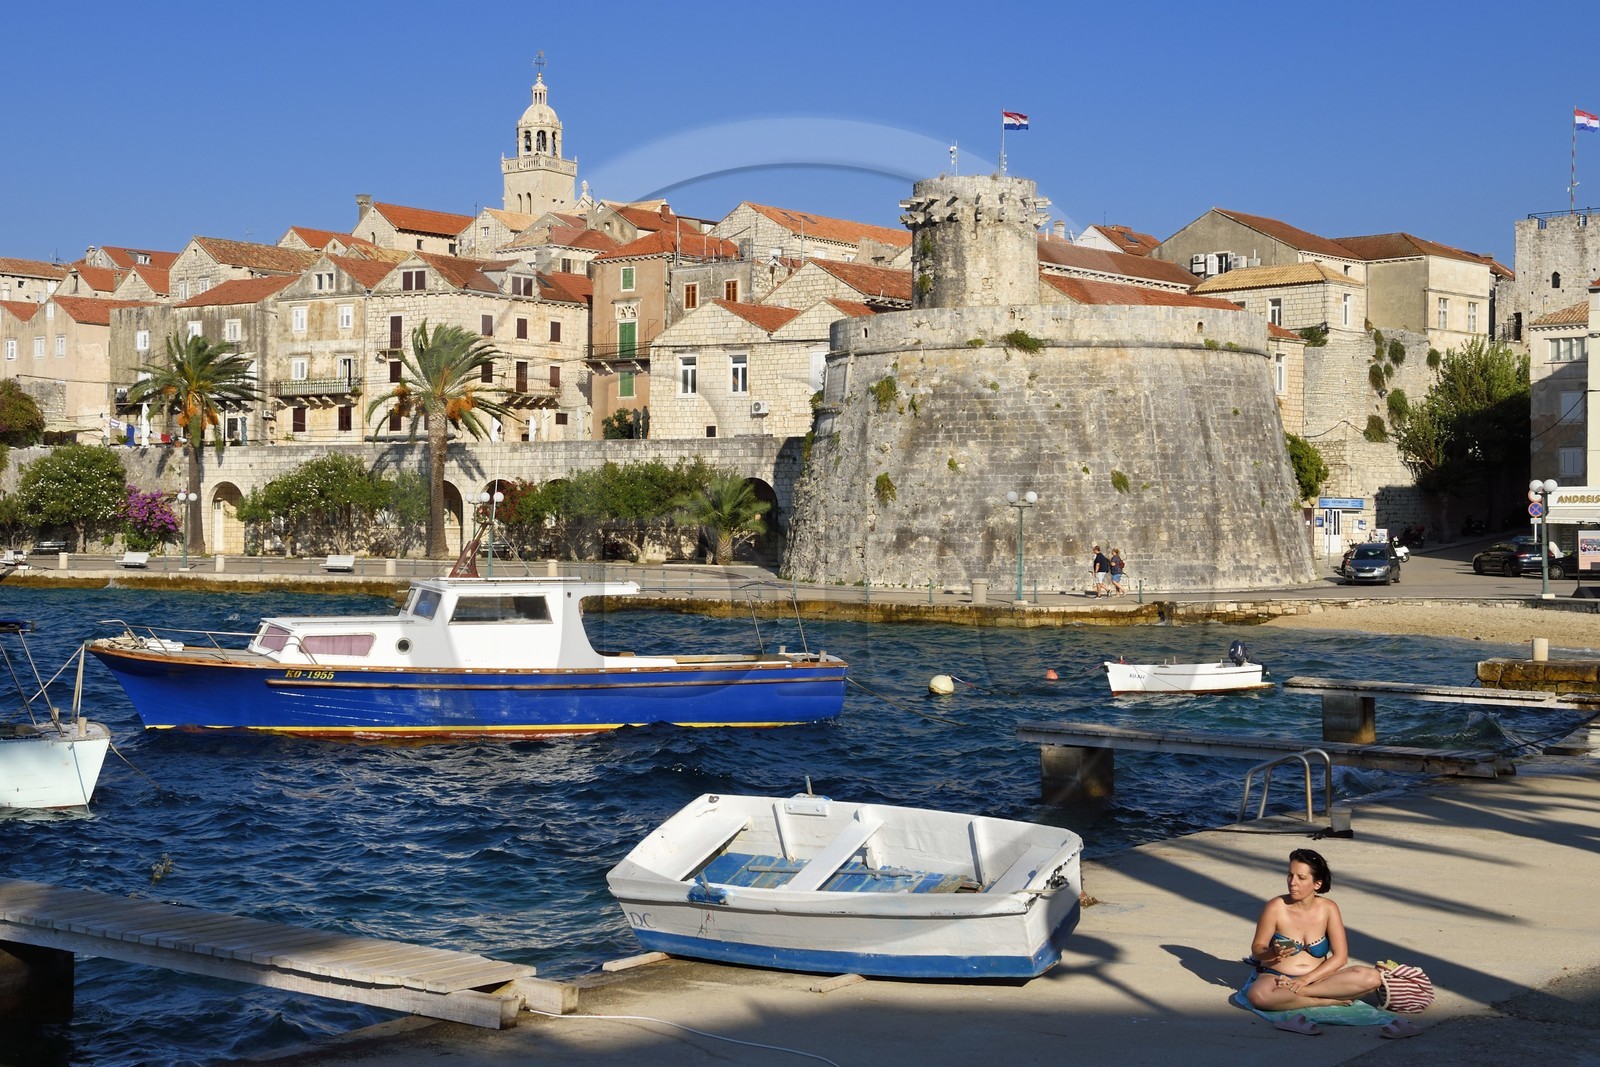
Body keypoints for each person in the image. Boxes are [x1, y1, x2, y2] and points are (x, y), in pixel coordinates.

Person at [1245, 849, 1383, 1013]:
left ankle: (1302, 994)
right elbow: (1257, 949)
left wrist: (1304, 982)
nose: (1292, 882)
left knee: (1372, 978)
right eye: (1290, 875)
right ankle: (1322, 1001)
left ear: (1317, 884)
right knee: (1259, 996)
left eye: (1301, 878)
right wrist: (1273, 952)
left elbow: (1340, 957)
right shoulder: (1276, 907)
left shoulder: (1328, 908)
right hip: (1276, 977)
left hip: (1318, 979)